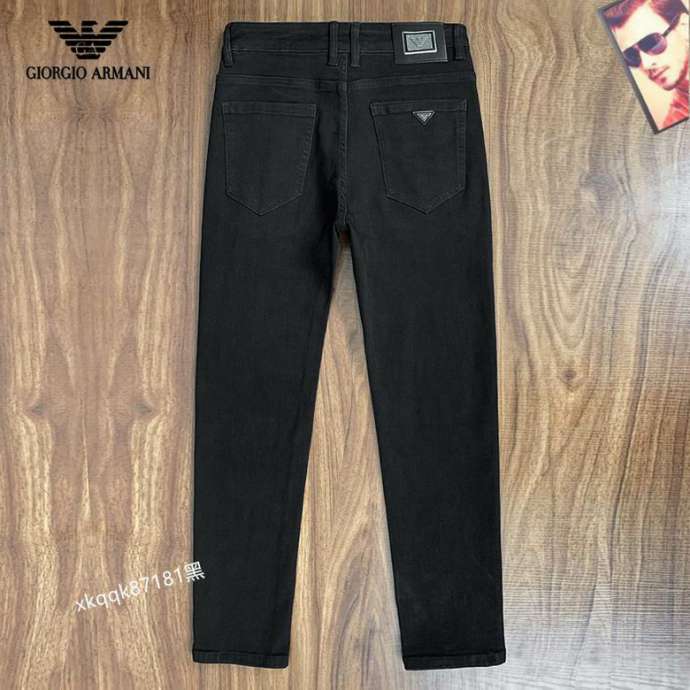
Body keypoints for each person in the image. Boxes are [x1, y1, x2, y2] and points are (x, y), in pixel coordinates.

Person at [605, 0, 689, 129]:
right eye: (631, 55)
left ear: (684, 26)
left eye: (652, 43)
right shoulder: (676, 123)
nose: (646, 64)